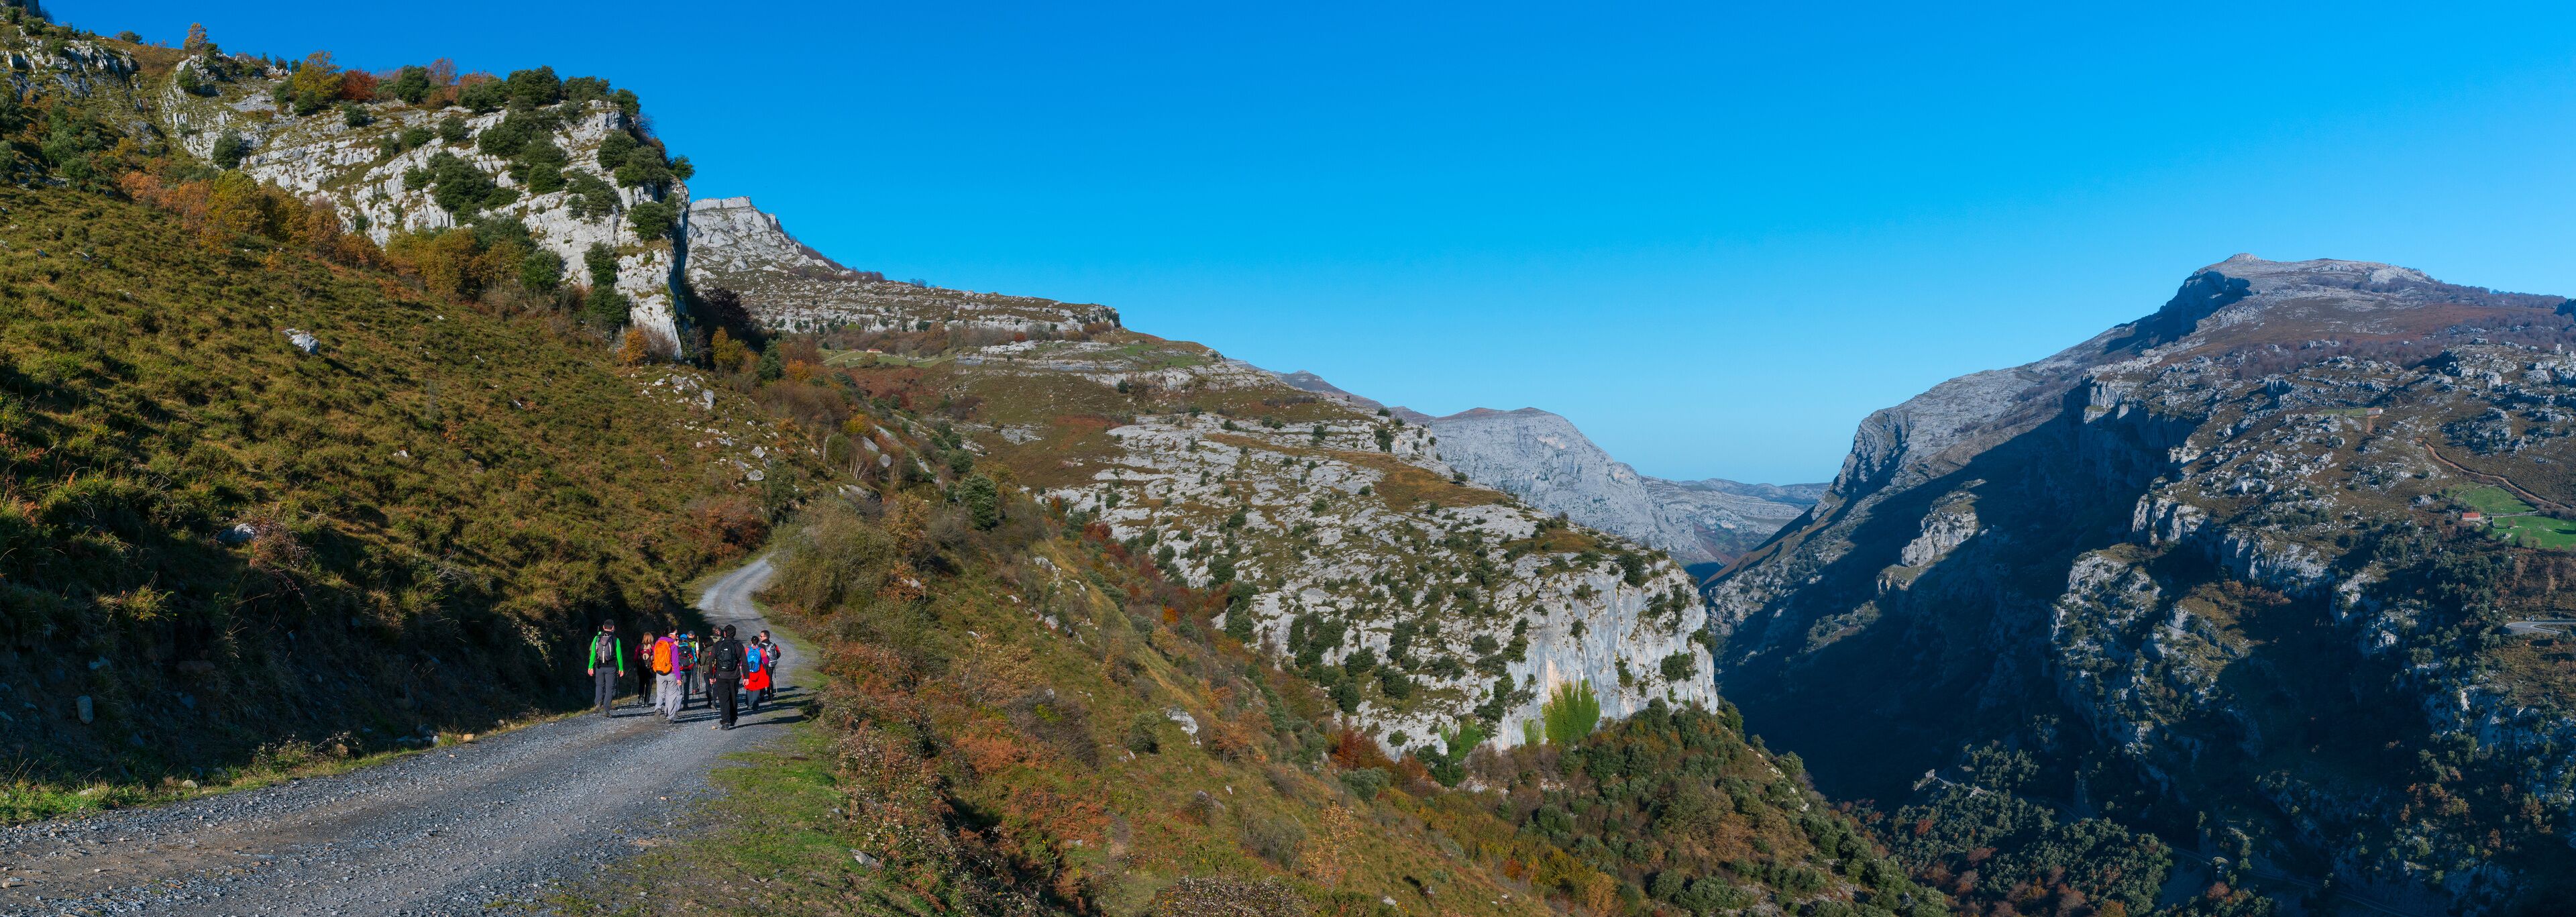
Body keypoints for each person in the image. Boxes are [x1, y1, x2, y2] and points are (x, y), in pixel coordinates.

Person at [707, 625, 747, 730]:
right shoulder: (739, 645)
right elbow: (745, 662)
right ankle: (733, 718)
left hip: (721, 676)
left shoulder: (718, 644)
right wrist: (746, 677)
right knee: (733, 697)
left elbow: (711, 661)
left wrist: (711, 675)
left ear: (724, 633)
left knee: (724, 699)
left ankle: (725, 722)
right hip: (735, 676)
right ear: (734, 634)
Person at [585, 621, 623, 718]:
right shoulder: (615, 639)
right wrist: (621, 668)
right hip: (611, 667)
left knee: (599, 685)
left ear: (603, 627)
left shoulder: (597, 638)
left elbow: (593, 653)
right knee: (610, 688)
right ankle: (606, 710)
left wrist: (590, 667)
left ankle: (598, 703)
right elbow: (619, 655)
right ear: (613, 627)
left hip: (599, 666)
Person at [651, 630, 682, 722]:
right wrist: (679, 678)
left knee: (660, 693)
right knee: (671, 695)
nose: (677, 636)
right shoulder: (673, 646)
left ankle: (658, 708)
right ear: (670, 635)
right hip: (671, 673)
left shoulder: (658, 642)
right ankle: (669, 717)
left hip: (659, 671)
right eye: (676, 634)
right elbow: (676, 664)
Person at [743, 638, 769, 715]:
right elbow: (766, 661)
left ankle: (749, 705)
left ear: (751, 641)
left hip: (748, 671)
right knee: (757, 688)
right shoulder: (761, 650)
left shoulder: (747, 649)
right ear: (758, 642)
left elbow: (743, 661)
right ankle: (755, 706)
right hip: (759, 671)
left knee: (749, 687)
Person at [674, 631, 699, 710]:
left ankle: (678, 705)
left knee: (678, 688)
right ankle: (686, 705)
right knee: (687, 687)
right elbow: (694, 659)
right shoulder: (690, 647)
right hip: (688, 670)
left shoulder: (677, 648)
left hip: (679, 670)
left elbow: (674, 659)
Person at [755, 631, 782, 704]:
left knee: (762, 680)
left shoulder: (761, 646)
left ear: (765, 637)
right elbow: (779, 654)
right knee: (770, 679)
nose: (760, 637)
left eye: (761, 636)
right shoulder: (773, 644)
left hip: (763, 666)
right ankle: (770, 695)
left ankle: (762, 696)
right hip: (771, 665)